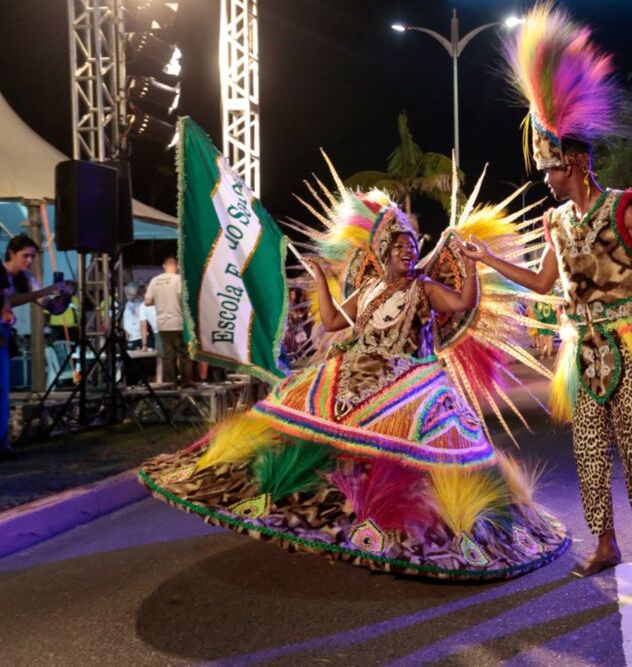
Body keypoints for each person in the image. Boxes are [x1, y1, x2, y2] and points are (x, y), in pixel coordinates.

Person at [138, 185, 568, 580]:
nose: (408, 252)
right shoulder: (366, 290)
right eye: (400, 246)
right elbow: (330, 321)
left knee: (423, 427)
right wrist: (322, 280)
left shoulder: (426, 287)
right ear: (382, 251)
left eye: (413, 247)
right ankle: (314, 499)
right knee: (296, 396)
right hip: (352, 369)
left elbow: (462, 303)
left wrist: (472, 267)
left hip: (410, 375)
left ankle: (408, 520)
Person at [466, 2, 632, 596]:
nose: (544, 175)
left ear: (573, 163)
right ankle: (603, 544)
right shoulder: (554, 221)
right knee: (590, 454)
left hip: (628, 346)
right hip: (581, 352)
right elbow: (546, 284)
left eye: (549, 166)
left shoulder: (621, 207)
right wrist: (488, 261)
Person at [1, 234, 72, 459]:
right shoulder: (1, 274)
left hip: (3, 334)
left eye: (32, 257)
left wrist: (63, 298)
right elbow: (12, 300)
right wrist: (45, 291)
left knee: (3, 391)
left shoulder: (26, 278)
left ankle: (2, 443)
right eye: (26, 256)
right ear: (11, 253)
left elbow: (49, 306)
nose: (29, 261)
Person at [145, 256, 191, 387]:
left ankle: (169, 382)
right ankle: (186, 381)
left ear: (164, 266)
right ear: (176, 266)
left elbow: (147, 301)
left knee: (168, 355)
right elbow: (183, 298)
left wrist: (159, 301)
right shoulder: (178, 280)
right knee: (183, 353)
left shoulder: (155, 280)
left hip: (162, 323)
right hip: (177, 321)